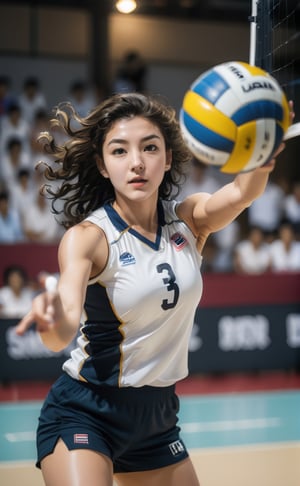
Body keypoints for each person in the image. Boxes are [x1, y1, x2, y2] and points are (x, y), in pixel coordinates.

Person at [15, 92, 290, 486]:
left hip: (158, 417)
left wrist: (260, 148)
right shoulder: (88, 238)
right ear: (102, 165)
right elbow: (62, 329)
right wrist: (52, 318)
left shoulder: (188, 220)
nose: (137, 162)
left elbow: (241, 193)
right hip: (87, 409)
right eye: (119, 151)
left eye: (149, 147)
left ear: (168, 158)